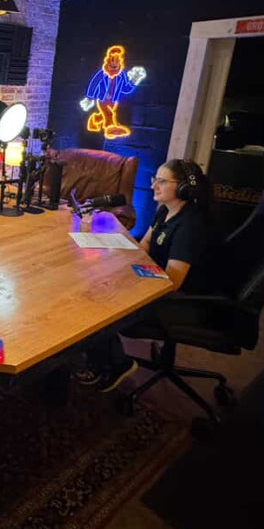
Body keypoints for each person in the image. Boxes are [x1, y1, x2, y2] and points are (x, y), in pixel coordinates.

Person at [81, 158, 219, 392]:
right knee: (97, 280)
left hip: (181, 299)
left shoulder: (189, 226)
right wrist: (111, 252)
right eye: (155, 179)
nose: (154, 185)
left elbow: (172, 282)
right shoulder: (166, 210)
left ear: (185, 189)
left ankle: (117, 364)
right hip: (159, 282)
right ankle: (102, 356)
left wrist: (126, 279)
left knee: (98, 301)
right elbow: (144, 246)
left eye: (162, 181)